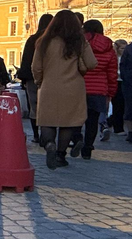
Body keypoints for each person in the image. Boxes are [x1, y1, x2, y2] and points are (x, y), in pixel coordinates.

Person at [32, 9, 97, 170]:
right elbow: (92, 63)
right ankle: (61, 155)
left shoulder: (44, 41)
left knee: (48, 120)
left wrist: (40, 81)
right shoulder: (79, 41)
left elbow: (36, 66)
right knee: (68, 123)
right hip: (73, 87)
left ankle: (49, 145)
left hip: (49, 86)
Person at [78, 20, 118, 160]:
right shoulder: (108, 47)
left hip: (79, 87)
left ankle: (77, 139)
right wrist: (111, 92)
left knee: (76, 118)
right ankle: (88, 148)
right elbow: (112, 73)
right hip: (99, 89)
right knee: (93, 121)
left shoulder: (79, 43)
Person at [19, 13, 53, 144]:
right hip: (50, 78)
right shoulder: (54, 40)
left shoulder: (32, 39)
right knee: (49, 107)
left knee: (34, 107)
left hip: (31, 78)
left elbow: (26, 61)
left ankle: (36, 135)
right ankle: (48, 136)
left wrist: (24, 78)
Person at [108, 39, 129, 136]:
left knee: (123, 105)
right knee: (117, 105)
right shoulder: (114, 57)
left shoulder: (126, 57)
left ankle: (112, 121)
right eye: (122, 48)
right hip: (116, 81)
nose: (124, 50)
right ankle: (117, 127)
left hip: (124, 82)